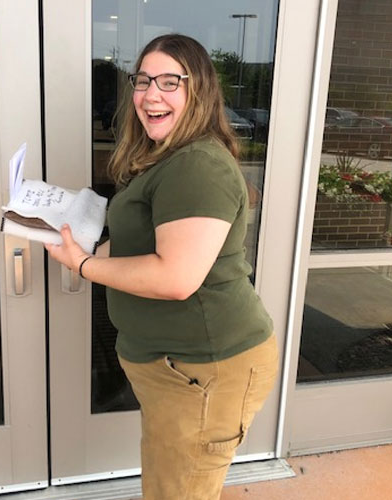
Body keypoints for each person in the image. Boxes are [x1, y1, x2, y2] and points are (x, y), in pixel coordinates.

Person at [45, 34, 278, 500]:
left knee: (180, 491)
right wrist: (76, 242)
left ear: (201, 92)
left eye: (171, 82)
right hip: (175, 369)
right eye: (144, 80)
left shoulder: (198, 165)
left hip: (206, 369)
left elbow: (175, 278)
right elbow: (141, 245)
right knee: (170, 482)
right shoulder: (165, 158)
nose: (151, 94)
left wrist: (85, 265)